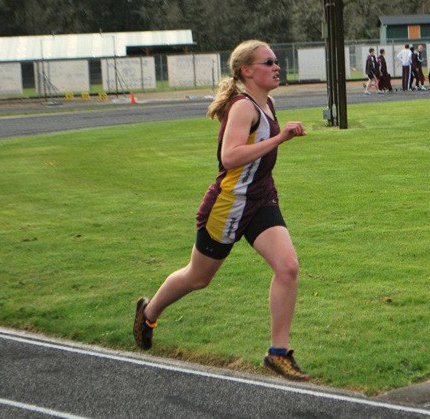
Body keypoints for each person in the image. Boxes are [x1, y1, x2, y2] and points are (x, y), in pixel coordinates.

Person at [133, 40, 311, 382]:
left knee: (288, 266)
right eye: (268, 62)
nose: (277, 66)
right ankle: (149, 312)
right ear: (247, 71)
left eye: (276, 61)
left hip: (260, 199)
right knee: (198, 277)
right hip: (228, 205)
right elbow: (229, 157)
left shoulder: (268, 102)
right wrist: (279, 139)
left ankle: (278, 354)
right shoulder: (244, 108)